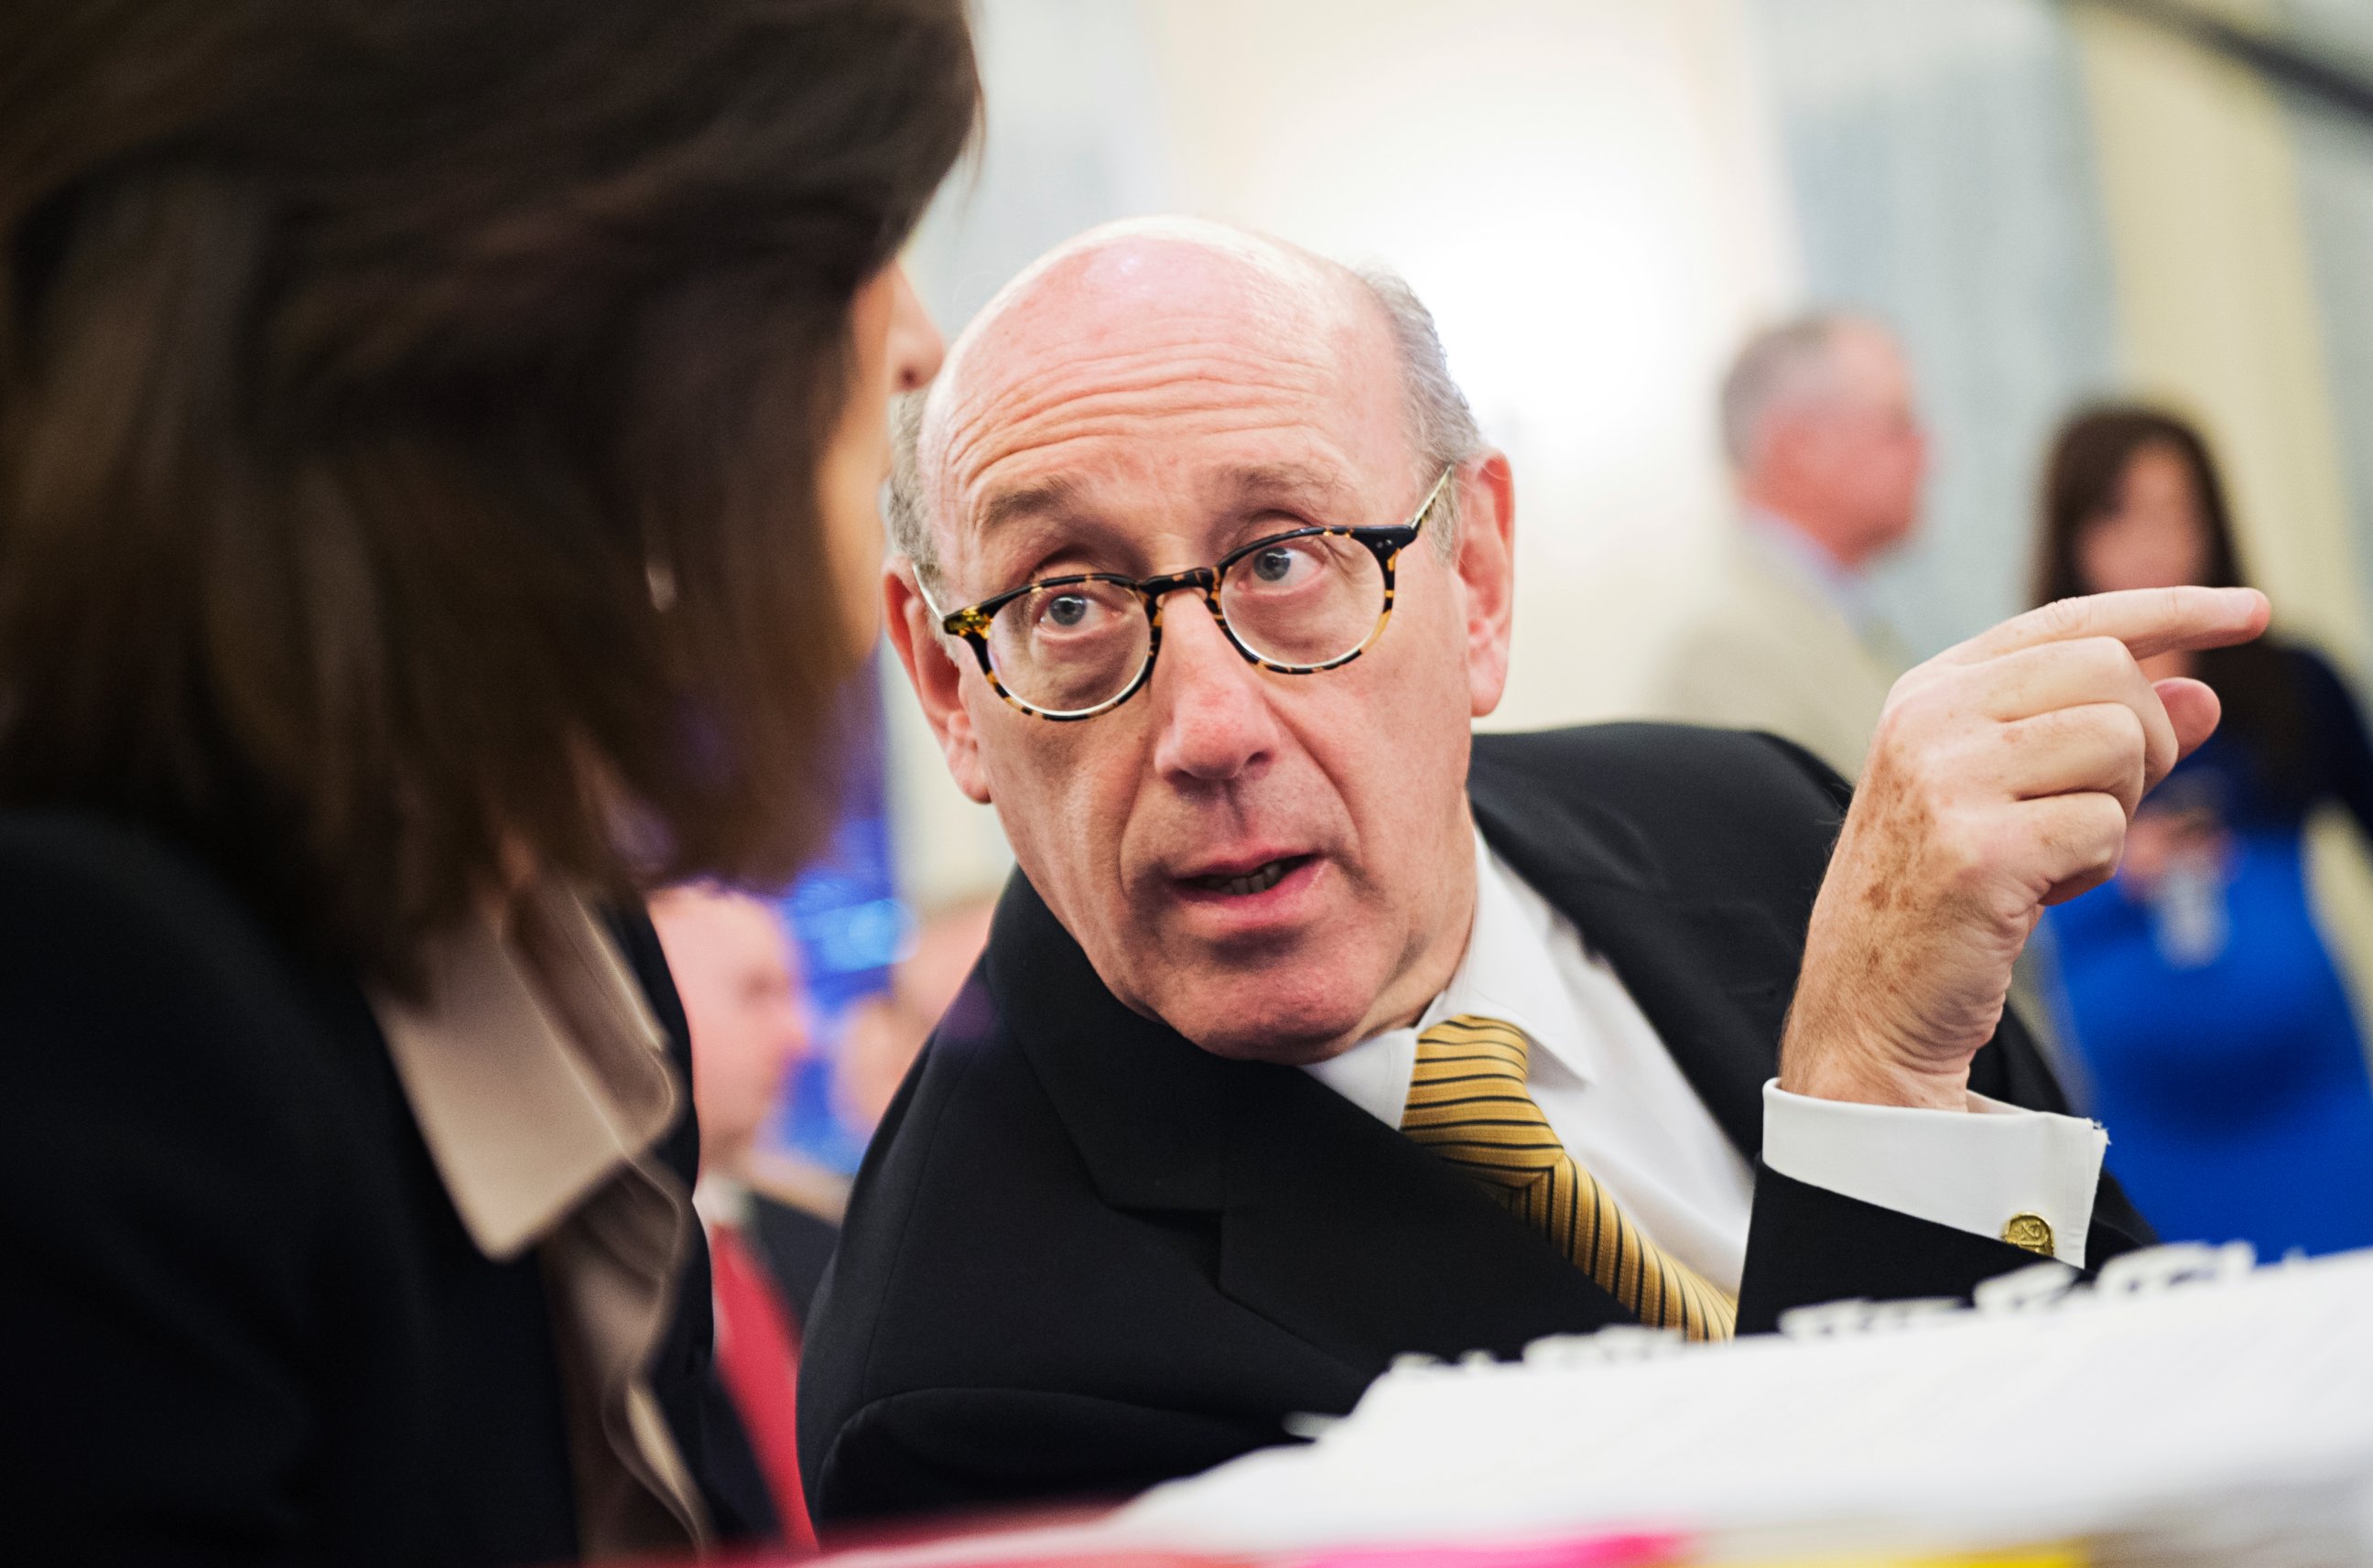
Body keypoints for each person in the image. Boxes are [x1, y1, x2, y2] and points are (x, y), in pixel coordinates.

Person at [797, 218, 2265, 1522]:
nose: (1210, 728)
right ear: (945, 686)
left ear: (1479, 579)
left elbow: (2138, 1391)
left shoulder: (1756, 816)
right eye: (1069, 601)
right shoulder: (966, 1388)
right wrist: (1866, 1094)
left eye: (1286, 559)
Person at [0, 3, 974, 1563]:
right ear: (575, 318)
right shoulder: (86, 998)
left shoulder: (568, 948)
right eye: (853, 240)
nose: (916, 334)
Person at [2034, 405, 2373, 1257]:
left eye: (2176, 511)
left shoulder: (2292, 686)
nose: (2152, 540)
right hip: (2140, 1134)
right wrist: (2117, 868)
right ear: (2072, 532)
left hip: (2315, 1108)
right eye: (2121, 512)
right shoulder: (2038, 708)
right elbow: (2000, 905)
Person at [1639, 313, 1925, 779]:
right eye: (1898, 423)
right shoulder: (1723, 649)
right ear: (1801, 450)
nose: (1927, 447)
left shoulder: (1833, 614)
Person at [655, 884, 831, 1550]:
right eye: (756, 992)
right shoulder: (590, 1274)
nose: (800, 1035)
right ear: (646, 1001)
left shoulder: (828, 1247)